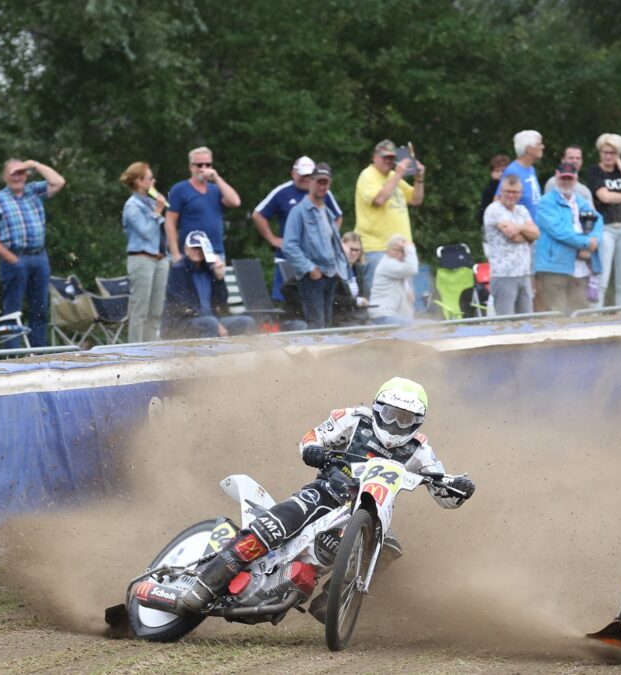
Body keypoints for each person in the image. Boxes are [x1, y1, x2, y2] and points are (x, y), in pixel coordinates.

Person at [179, 377, 477, 617]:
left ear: (418, 422)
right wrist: (313, 450)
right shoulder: (353, 418)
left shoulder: (420, 450)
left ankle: (333, 599)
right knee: (276, 524)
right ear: (377, 409)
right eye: (390, 415)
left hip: (371, 509)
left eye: (405, 419)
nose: (396, 425)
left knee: (390, 546)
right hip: (327, 491)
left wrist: (458, 488)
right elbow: (314, 436)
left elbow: (443, 494)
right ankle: (206, 584)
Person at [0, 158, 66, 348]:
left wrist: (34, 164)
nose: (18, 177)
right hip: (14, 257)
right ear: (5, 176)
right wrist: (9, 256)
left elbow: (59, 182)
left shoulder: (33, 191)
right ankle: (12, 357)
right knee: (12, 310)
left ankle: (39, 353)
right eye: (13, 173)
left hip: (39, 257)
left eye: (21, 172)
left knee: (40, 310)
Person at [252, 156, 343, 301]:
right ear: (294, 173)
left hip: (317, 262)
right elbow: (258, 214)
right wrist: (273, 239)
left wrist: (330, 241)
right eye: (302, 174)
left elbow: (338, 216)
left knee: (317, 301)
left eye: (309, 175)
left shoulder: (323, 192)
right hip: (288, 259)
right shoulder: (282, 192)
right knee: (287, 299)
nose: (305, 178)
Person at [282, 163, 348, 330]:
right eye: (319, 182)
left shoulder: (327, 212)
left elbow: (335, 244)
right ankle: (313, 356)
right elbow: (289, 246)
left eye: (326, 182)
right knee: (316, 324)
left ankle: (324, 355)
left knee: (327, 323)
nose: (322, 186)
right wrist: (310, 269)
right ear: (311, 182)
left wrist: (339, 269)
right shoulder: (299, 211)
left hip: (331, 275)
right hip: (312, 278)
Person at [354, 140, 425, 295]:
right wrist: (399, 173)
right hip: (377, 249)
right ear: (374, 157)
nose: (389, 161)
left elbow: (416, 199)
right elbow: (379, 199)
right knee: (381, 300)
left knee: (405, 301)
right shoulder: (368, 175)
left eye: (392, 158)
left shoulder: (393, 176)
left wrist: (419, 178)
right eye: (384, 157)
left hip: (402, 251)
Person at [534, 163, 604, 315]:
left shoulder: (580, 201)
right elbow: (559, 231)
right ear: (556, 176)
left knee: (582, 314)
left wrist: (594, 240)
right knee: (556, 314)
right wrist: (585, 243)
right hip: (554, 267)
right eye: (563, 177)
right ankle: (558, 340)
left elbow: (597, 219)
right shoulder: (546, 202)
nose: (566, 181)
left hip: (580, 268)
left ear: (576, 179)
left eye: (569, 178)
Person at [160, 230, 255, 339]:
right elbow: (184, 306)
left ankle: (243, 356)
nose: (198, 251)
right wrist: (215, 323)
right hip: (180, 325)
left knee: (246, 322)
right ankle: (208, 356)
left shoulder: (209, 269)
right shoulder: (178, 270)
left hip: (210, 321)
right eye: (194, 247)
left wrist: (220, 278)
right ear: (186, 249)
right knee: (210, 323)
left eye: (201, 248)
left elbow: (221, 302)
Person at [588, 133, 621, 309]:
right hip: (606, 228)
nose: (608, 156)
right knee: (602, 279)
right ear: (600, 152)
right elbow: (604, 197)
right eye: (605, 152)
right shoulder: (595, 171)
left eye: (613, 152)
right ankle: (595, 317)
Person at [119, 162, 170, 343]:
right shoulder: (131, 206)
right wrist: (157, 212)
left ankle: (151, 349)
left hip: (161, 260)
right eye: (150, 178)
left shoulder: (150, 202)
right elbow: (146, 231)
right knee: (140, 310)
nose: (153, 180)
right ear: (140, 182)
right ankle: (135, 351)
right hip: (142, 260)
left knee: (156, 311)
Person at [165, 146, 241, 262]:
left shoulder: (216, 189)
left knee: (215, 280)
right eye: (199, 165)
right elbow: (170, 222)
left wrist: (217, 179)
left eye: (208, 164)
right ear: (191, 167)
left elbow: (235, 202)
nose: (204, 168)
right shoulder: (179, 189)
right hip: (191, 252)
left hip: (215, 251)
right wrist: (175, 254)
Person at [483, 175, 539, 315]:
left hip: (524, 273)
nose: (511, 195)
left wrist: (519, 228)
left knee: (526, 321)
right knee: (505, 321)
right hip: (503, 274)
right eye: (507, 191)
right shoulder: (494, 210)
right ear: (501, 191)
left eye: (515, 192)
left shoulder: (522, 210)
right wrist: (525, 231)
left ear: (520, 193)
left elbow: (536, 234)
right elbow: (513, 236)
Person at [369, 235, 418, 325]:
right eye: (396, 250)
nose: (400, 254)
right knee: (424, 327)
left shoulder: (398, 269)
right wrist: (410, 249)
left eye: (403, 251)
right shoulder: (387, 264)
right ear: (387, 250)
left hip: (390, 315)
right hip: (383, 315)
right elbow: (412, 269)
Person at [495, 130, 544, 220]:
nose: (543, 147)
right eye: (539, 144)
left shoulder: (531, 169)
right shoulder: (513, 171)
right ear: (528, 149)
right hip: (520, 230)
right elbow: (498, 201)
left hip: (533, 229)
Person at [334, 231, 369, 326]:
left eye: (357, 250)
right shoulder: (334, 269)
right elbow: (333, 298)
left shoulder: (358, 269)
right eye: (351, 249)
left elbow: (364, 294)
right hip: (339, 319)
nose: (353, 253)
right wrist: (356, 301)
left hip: (357, 316)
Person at [478, 154, 511, 225]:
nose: (500, 173)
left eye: (503, 171)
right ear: (491, 172)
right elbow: (482, 213)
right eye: (497, 171)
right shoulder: (489, 190)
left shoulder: (514, 188)